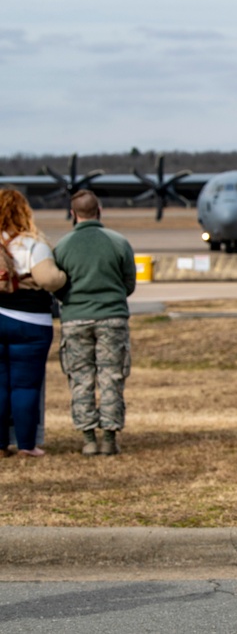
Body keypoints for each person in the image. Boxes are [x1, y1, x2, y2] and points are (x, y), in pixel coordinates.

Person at [54, 190, 136, 456]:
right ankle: (110, 438)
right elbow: (129, 283)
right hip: (112, 318)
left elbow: (57, 284)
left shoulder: (63, 246)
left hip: (75, 319)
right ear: (99, 211)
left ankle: (89, 437)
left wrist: (73, 301)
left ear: (73, 213)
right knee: (111, 376)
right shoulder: (118, 242)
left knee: (81, 378)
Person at [0, 187, 67, 457]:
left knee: (1, 384)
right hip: (30, 323)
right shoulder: (34, 244)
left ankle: (1, 445)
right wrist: (63, 276)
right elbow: (49, 280)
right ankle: (27, 444)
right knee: (26, 385)